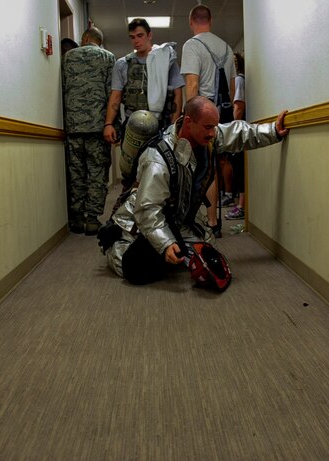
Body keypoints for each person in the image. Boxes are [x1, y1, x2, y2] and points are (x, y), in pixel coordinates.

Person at [100, 96, 289, 286]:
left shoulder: (208, 136)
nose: (213, 132)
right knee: (134, 268)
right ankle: (116, 245)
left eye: (214, 126)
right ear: (189, 122)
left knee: (205, 252)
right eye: (208, 127)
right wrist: (166, 243)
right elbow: (148, 209)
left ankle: (167, 246)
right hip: (137, 221)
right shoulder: (157, 158)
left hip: (175, 218)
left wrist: (273, 130)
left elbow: (238, 134)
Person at [180, 4, 237, 238]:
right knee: (212, 165)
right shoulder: (227, 48)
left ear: (191, 21)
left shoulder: (192, 45)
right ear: (210, 21)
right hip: (222, 114)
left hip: (201, 115)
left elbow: (192, 84)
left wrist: (188, 119)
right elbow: (232, 89)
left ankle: (195, 220)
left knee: (198, 166)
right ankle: (213, 221)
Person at [62, 27, 116, 235]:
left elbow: (64, 87)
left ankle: (77, 218)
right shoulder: (108, 57)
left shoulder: (68, 57)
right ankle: (92, 220)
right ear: (99, 41)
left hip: (73, 126)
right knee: (97, 173)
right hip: (98, 127)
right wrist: (113, 124)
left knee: (76, 173)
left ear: (85, 38)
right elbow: (113, 93)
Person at [103, 18, 184, 147]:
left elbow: (177, 94)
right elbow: (116, 96)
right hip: (133, 125)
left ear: (149, 35)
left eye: (140, 36)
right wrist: (108, 124)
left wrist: (173, 128)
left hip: (160, 125)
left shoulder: (166, 62)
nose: (136, 41)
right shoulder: (122, 64)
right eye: (132, 37)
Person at [225, 52, 247, 220]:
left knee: (240, 167)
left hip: (239, 129)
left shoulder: (238, 80)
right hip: (241, 128)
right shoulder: (239, 80)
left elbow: (238, 106)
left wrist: (233, 130)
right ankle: (240, 204)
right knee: (238, 167)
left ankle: (241, 206)